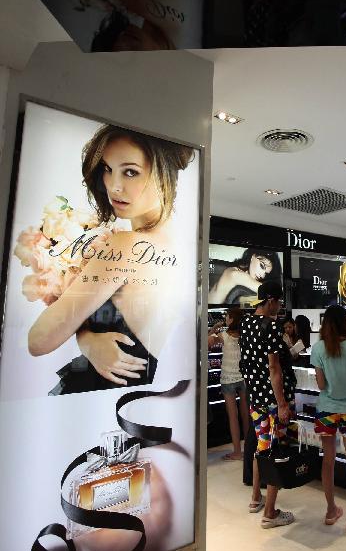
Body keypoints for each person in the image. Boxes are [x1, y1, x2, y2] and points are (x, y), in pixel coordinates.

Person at [27, 124, 193, 393]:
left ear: (164, 175)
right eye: (107, 169)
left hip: (100, 395)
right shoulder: (179, 247)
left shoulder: (126, 245)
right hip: (140, 399)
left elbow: (38, 339)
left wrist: (86, 339)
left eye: (130, 172)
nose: (114, 186)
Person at [239, 280, 297, 528]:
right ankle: (270, 513)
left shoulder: (246, 323)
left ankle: (255, 498)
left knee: (262, 447)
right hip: (273, 401)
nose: (280, 306)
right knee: (276, 451)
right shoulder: (271, 327)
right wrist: (282, 403)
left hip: (256, 398)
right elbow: (274, 368)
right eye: (279, 302)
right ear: (271, 301)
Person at [311, 306, 346, 538]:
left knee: (328, 462)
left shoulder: (319, 348)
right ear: (345, 321)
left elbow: (322, 386)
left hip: (326, 409)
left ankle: (331, 510)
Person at [219, 307, 250, 461]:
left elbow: (206, 343)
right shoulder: (245, 336)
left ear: (231, 319)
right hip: (243, 377)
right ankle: (249, 448)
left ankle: (237, 451)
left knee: (233, 416)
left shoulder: (223, 335)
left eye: (227, 316)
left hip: (227, 379)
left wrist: (212, 330)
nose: (225, 319)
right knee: (246, 415)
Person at [208, 248, 282, 306]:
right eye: (262, 266)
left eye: (266, 274)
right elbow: (272, 292)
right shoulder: (234, 274)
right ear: (253, 256)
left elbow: (245, 303)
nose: (262, 275)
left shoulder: (245, 277)